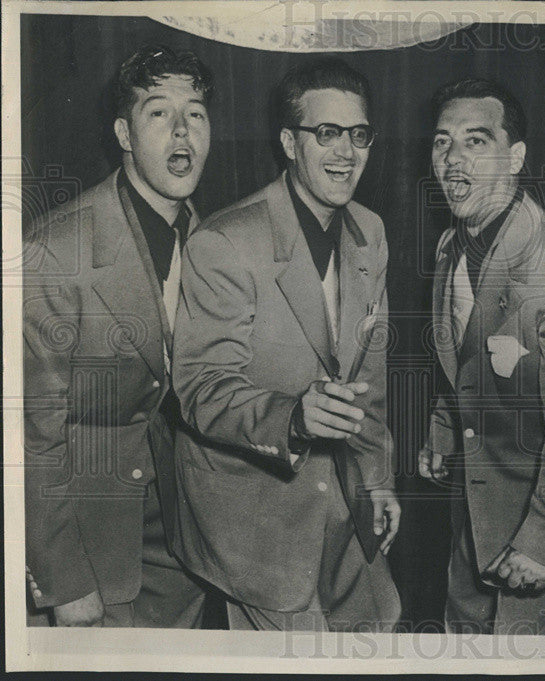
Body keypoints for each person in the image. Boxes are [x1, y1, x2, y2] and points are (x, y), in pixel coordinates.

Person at [170, 57, 400, 632]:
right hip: (254, 522)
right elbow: (201, 389)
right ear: (289, 144)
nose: (345, 152)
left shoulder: (369, 231)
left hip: (342, 502)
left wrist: (377, 479)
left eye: (358, 134)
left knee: (382, 628)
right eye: (326, 133)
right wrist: (294, 417)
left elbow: (369, 372)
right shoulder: (225, 241)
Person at [418, 78, 545, 635]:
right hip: (473, 517)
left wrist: (541, 545)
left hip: (542, 538)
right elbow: (460, 360)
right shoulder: (450, 245)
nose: (454, 160)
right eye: (442, 142)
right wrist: (442, 429)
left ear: (516, 157)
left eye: (476, 141)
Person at [23, 44, 213, 627]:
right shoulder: (54, 249)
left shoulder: (211, 239)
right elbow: (29, 436)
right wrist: (64, 581)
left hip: (182, 549)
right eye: (159, 112)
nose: (182, 131)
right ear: (124, 134)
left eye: (197, 113)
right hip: (91, 550)